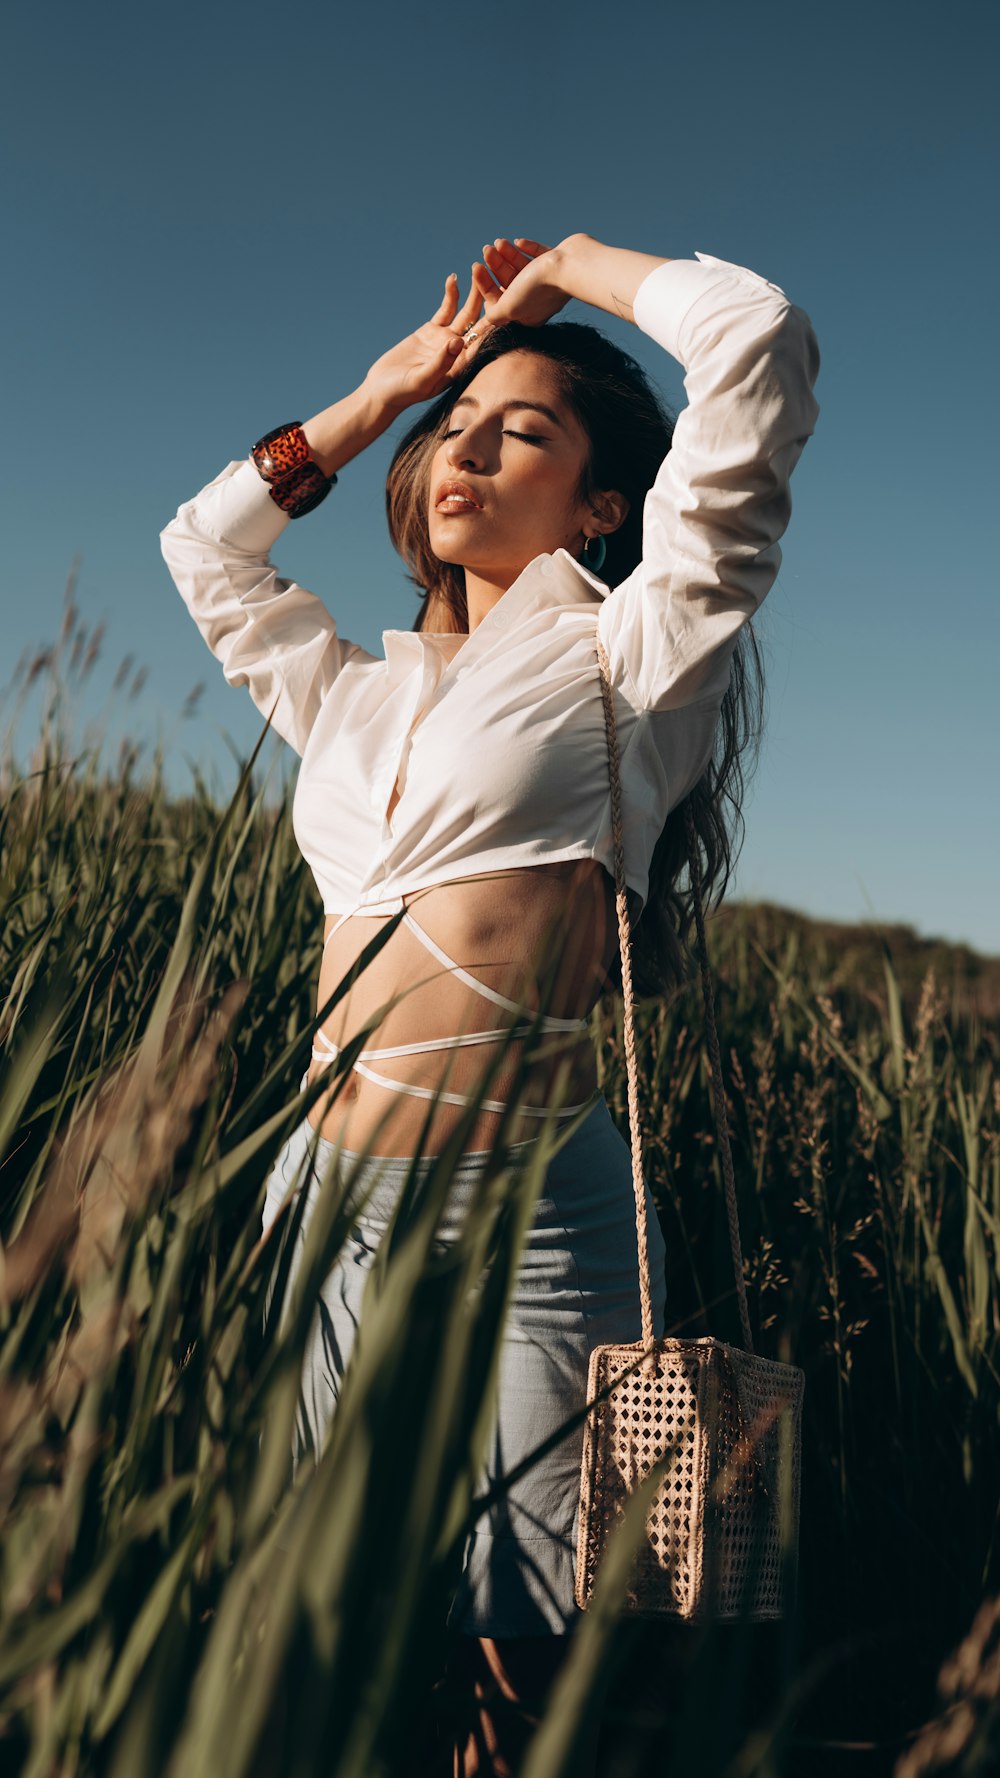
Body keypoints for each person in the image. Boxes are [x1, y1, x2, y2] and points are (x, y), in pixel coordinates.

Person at [160, 232, 820, 1775]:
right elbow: (206, 548)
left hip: (526, 1211)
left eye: (523, 427)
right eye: (458, 427)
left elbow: (761, 341)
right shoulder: (349, 685)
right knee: (324, 1612)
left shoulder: (631, 657)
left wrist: (571, 268)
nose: (469, 442)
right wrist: (391, 383)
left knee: (523, 1662)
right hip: (320, 1193)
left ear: (603, 502)